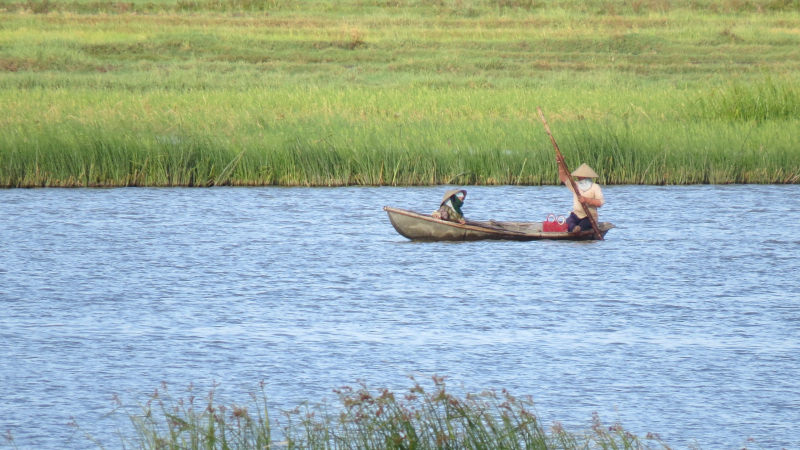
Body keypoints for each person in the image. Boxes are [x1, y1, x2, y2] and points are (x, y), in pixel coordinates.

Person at [557, 160, 604, 233]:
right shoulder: (575, 185)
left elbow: (600, 203)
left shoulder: (595, 187)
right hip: (577, 214)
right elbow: (563, 178)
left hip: (589, 216)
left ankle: (579, 228)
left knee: (584, 224)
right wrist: (561, 164)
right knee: (569, 222)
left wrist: (586, 200)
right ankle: (574, 229)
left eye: (580, 175)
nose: (578, 177)